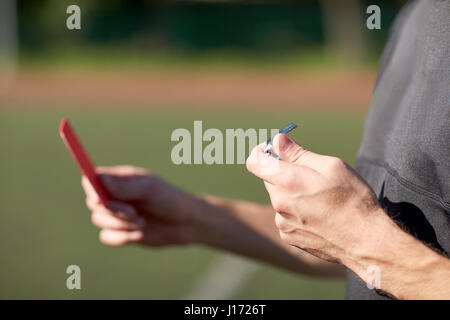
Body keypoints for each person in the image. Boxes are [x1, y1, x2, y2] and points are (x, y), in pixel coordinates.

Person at [82, 0, 449, 299]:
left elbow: (372, 244)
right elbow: (396, 245)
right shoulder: (416, 15)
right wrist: (191, 215)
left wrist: (362, 239)